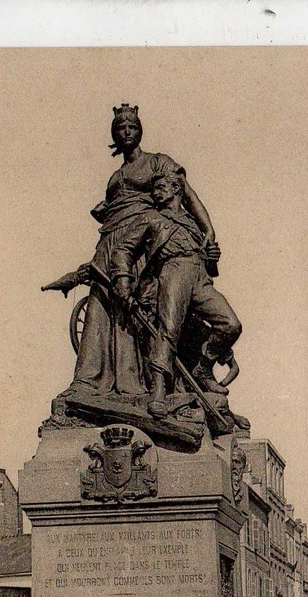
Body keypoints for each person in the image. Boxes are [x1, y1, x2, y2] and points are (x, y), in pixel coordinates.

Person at [66, 105, 219, 401]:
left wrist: (208, 230)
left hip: (140, 242)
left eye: (132, 127)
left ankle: (133, 381)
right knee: (100, 302)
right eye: (120, 128)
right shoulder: (115, 177)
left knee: (133, 307)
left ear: (140, 131)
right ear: (114, 134)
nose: (126, 132)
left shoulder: (157, 162)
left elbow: (187, 194)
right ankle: (90, 379)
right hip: (109, 241)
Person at [110, 169, 242, 420]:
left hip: (199, 277)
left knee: (231, 325)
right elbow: (123, 250)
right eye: (154, 188)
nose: (155, 193)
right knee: (168, 330)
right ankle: (158, 391)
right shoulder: (150, 218)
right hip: (172, 272)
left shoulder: (193, 223)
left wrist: (212, 258)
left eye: (161, 188)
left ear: (176, 190)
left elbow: (208, 262)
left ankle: (203, 368)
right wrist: (122, 281)